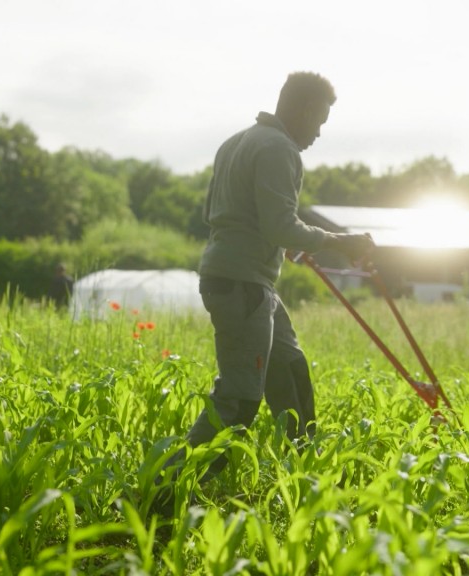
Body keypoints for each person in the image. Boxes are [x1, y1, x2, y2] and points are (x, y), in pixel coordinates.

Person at [152, 71, 374, 514]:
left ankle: (306, 484)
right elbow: (278, 224)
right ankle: (164, 495)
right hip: (242, 286)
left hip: (248, 282)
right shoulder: (280, 148)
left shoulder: (238, 142)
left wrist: (286, 243)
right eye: (321, 121)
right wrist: (340, 241)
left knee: (290, 373)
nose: (319, 132)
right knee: (239, 399)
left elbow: (228, 213)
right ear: (306, 110)